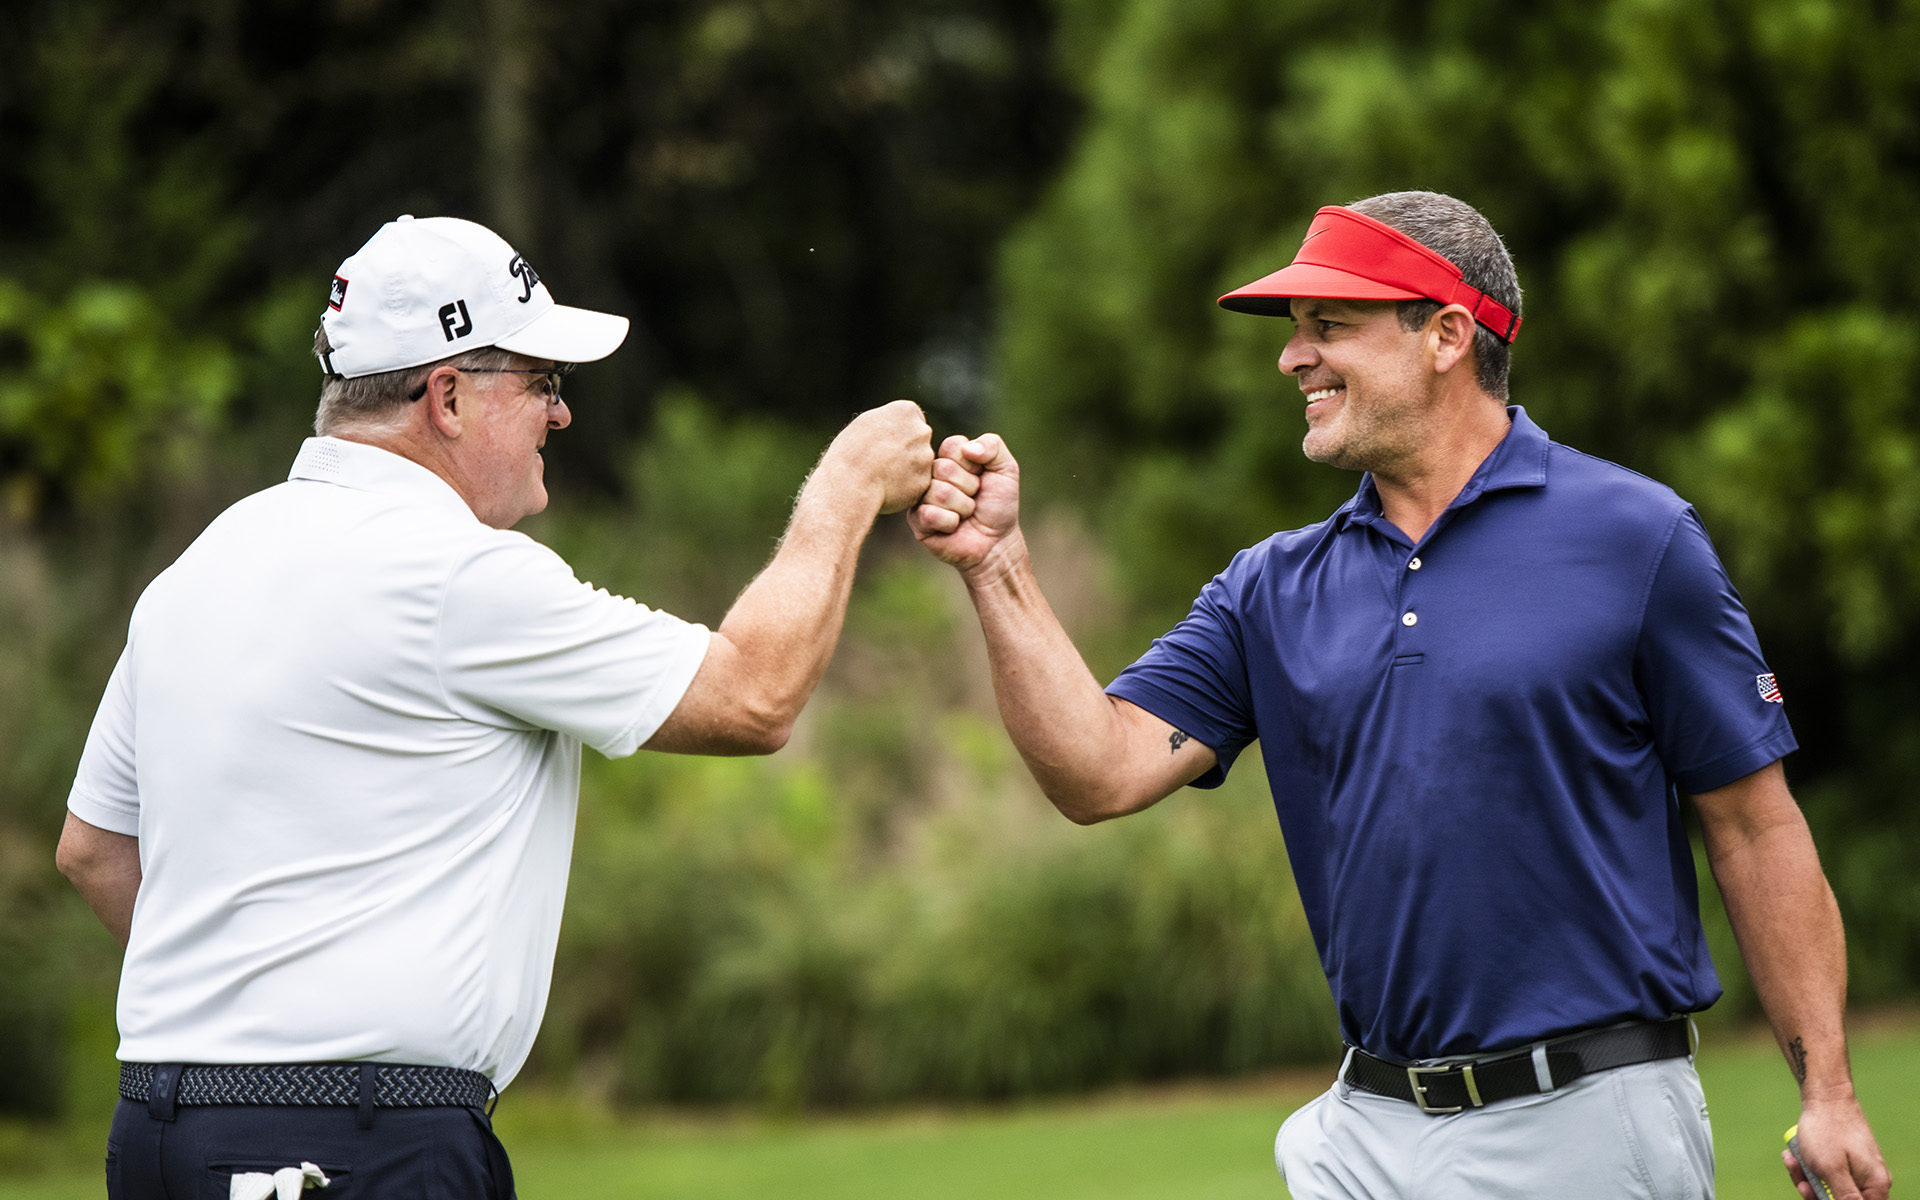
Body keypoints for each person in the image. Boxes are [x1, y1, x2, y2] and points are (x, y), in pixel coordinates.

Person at [911, 192, 1891, 1200]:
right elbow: (1101, 771)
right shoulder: (1270, 589)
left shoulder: (1637, 538)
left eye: (1330, 325)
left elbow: (1754, 827)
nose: (1293, 358)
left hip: (1584, 1122)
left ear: (1448, 336)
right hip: (1364, 1133)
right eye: (1296, 330)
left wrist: (1828, 1093)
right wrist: (997, 565)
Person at [55, 214, 933, 1198]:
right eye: (541, 382)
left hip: (157, 1134)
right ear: (447, 398)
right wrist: (848, 484)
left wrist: (241, 1025)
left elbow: (94, 849)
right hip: (356, 1144)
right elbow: (755, 696)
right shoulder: (458, 574)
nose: (561, 414)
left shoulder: (199, 567)